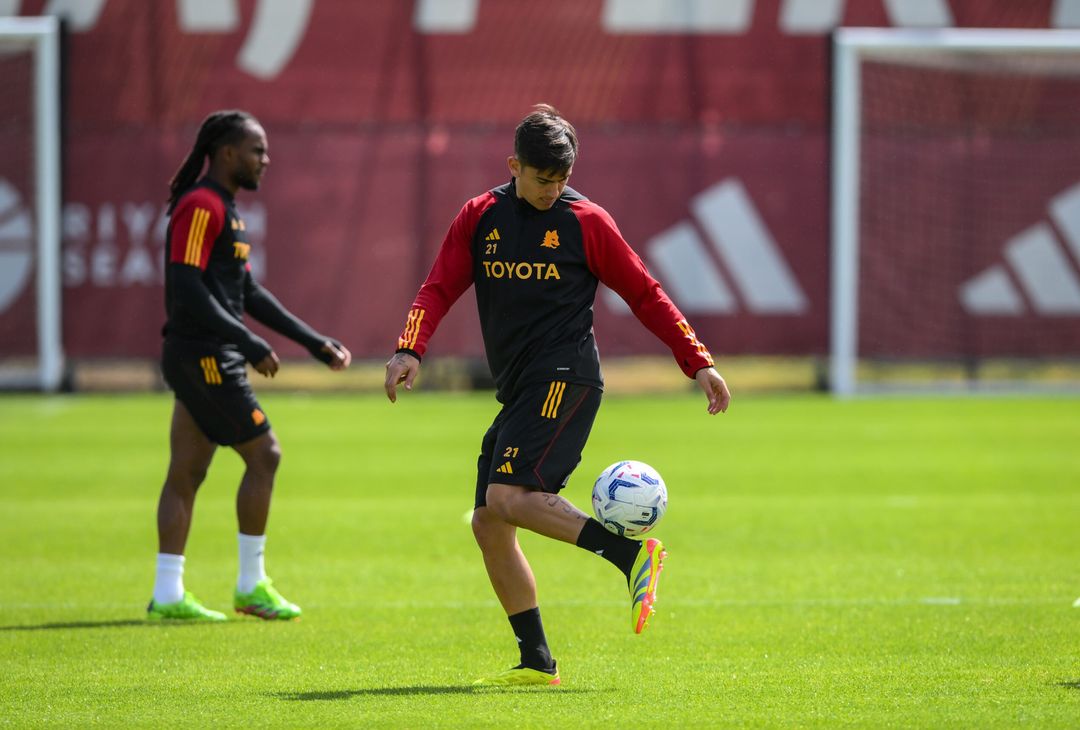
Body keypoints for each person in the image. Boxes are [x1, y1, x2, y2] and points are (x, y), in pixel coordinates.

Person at [384, 104, 730, 685]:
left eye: (562, 179)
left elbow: (645, 293)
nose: (552, 189)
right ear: (514, 166)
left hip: (566, 377)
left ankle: (632, 557)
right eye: (543, 178)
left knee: (508, 495)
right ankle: (537, 662)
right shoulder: (480, 216)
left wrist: (698, 362)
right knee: (489, 522)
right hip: (520, 387)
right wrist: (409, 349)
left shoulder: (587, 221)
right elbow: (438, 286)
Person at [147, 110, 351, 622]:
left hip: (203, 353)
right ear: (227, 153)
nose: (266, 159)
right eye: (257, 150)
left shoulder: (227, 209)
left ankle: (167, 594)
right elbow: (186, 285)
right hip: (206, 355)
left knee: (187, 471)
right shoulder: (201, 205)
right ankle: (250, 586)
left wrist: (313, 343)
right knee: (265, 455)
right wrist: (247, 341)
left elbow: (248, 292)